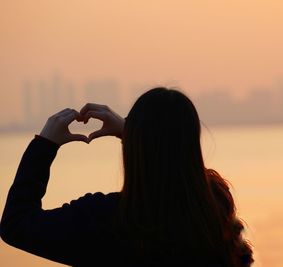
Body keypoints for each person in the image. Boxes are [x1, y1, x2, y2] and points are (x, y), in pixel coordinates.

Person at [0, 87, 253, 266]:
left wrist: (44, 145)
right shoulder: (215, 205)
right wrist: (131, 133)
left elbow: (16, 224)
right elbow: (182, 169)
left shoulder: (101, 219)